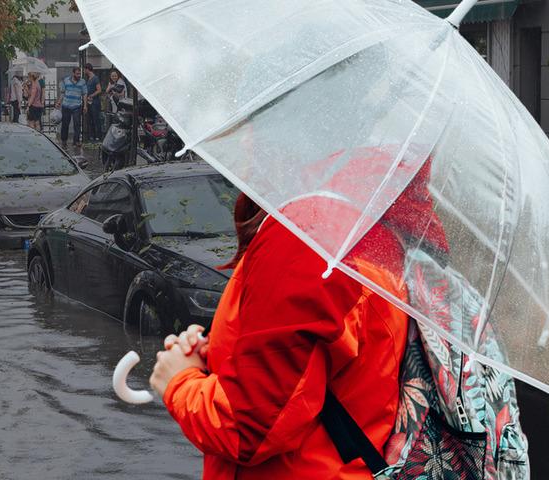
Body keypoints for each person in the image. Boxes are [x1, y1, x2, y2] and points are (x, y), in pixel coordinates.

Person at [150, 188, 417, 478]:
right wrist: (219, 354)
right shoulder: (372, 220)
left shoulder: (306, 238)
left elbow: (247, 428)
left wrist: (178, 381)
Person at [55, 66, 87, 149]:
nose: (79, 75)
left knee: (77, 124)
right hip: (66, 106)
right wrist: (59, 102)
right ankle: (64, 141)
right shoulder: (66, 80)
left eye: (80, 74)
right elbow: (62, 93)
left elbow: (84, 94)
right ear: (73, 73)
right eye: (77, 74)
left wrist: (85, 105)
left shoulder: (82, 82)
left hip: (77, 106)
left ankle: (76, 141)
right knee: (65, 124)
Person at [84, 63, 102, 142]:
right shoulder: (88, 78)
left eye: (85, 69)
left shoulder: (95, 78)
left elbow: (99, 90)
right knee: (90, 119)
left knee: (96, 119)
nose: (84, 71)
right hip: (89, 102)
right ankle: (92, 136)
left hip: (95, 102)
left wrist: (92, 95)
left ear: (88, 69)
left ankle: (98, 136)